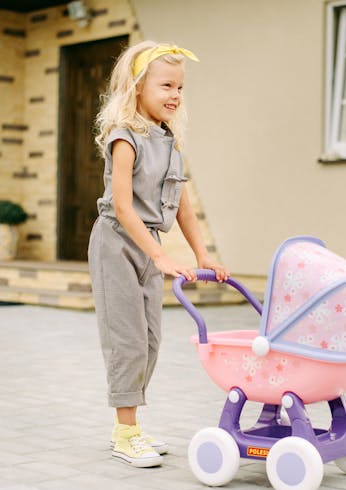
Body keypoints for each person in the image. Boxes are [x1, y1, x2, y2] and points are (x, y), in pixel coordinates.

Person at [88, 40, 229, 468]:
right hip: (117, 243)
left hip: (148, 246)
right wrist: (161, 255)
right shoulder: (124, 138)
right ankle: (124, 431)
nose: (175, 95)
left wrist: (202, 256)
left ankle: (131, 427)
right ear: (136, 88)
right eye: (166, 85)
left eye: (180, 88)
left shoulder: (170, 142)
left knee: (150, 341)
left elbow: (184, 207)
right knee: (127, 341)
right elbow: (124, 207)